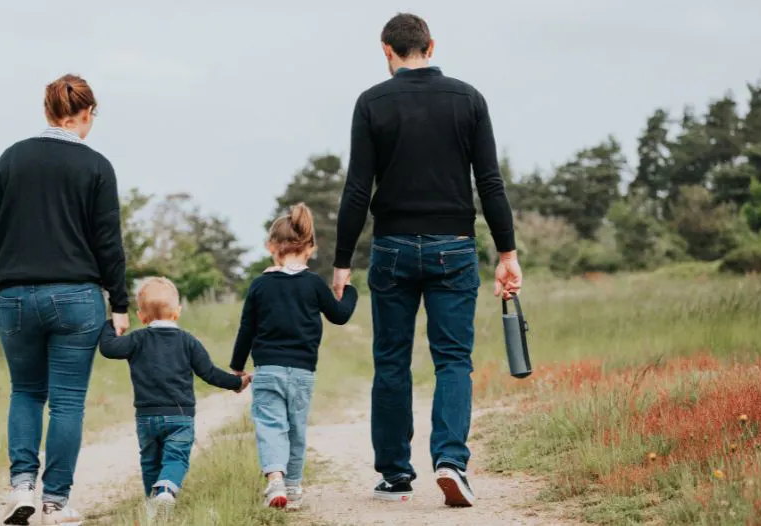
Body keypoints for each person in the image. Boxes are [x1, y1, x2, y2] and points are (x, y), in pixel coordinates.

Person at [331, 13, 523, 508]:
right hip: (454, 247)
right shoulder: (468, 99)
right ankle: (451, 462)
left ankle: (395, 474)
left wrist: (341, 262)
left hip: (392, 248)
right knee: (453, 360)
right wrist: (506, 252)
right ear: (431, 46)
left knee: (391, 360)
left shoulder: (371, 102)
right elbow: (491, 183)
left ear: (386, 51)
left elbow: (357, 190)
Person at [0, 73, 129, 526]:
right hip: (77, 298)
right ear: (87, 114)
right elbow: (108, 243)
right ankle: (56, 502)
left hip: (16, 296)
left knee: (25, 391)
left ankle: (22, 487)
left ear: (47, 111)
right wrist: (119, 303)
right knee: (67, 402)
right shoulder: (97, 167)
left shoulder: (10, 159)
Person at [231, 203, 358, 509]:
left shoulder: (259, 285)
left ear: (271, 247)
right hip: (302, 372)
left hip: (267, 371)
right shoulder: (314, 284)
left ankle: (275, 480)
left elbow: (246, 329)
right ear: (311, 247)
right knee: (296, 429)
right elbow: (340, 316)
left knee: (271, 425)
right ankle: (294, 487)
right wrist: (349, 289)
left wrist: (237, 368)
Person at [99, 277, 249, 516]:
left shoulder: (137, 339)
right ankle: (167, 490)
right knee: (176, 458)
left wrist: (111, 324)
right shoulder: (188, 341)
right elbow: (209, 373)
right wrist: (236, 383)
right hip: (180, 417)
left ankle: (153, 506)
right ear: (178, 311)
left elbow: (108, 348)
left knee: (150, 462)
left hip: (146, 417)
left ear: (142, 316)